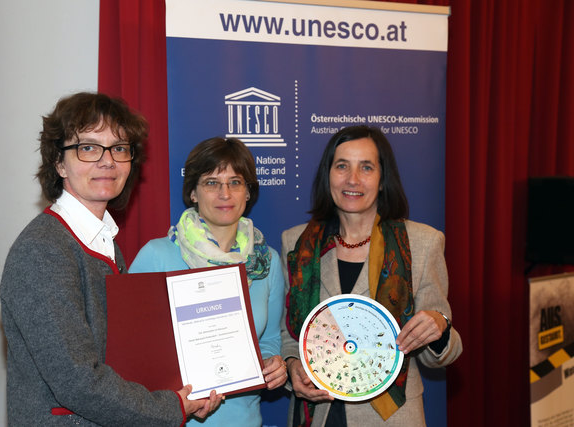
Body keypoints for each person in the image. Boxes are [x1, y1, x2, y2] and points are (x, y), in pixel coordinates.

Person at [0, 92, 221, 426]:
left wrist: (182, 393)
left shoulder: (104, 243)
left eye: (119, 148)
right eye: (88, 148)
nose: (108, 161)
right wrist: (169, 407)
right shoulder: (42, 250)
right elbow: (77, 381)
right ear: (59, 163)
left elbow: (122, 357)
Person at [281, 126, 463, 426]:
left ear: (382, 179)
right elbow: (290, 335)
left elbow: (442, 353)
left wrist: (439, 328)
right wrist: (292, 366)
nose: (352, 179)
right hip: (317, 414)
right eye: (342, 166)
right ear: (328, 176)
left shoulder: (422, 243)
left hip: (391, 417)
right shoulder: (297, 244)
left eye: (366, 167)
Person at [130, 136, 287, 426]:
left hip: (245, 419)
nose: (225, 193)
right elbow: (131, 353)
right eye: (212, 183)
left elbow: (269, 340)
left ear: (248, 193)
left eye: (236, 182)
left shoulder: (267, 262)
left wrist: (272, 363)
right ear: (192, 193)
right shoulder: (156, 256)